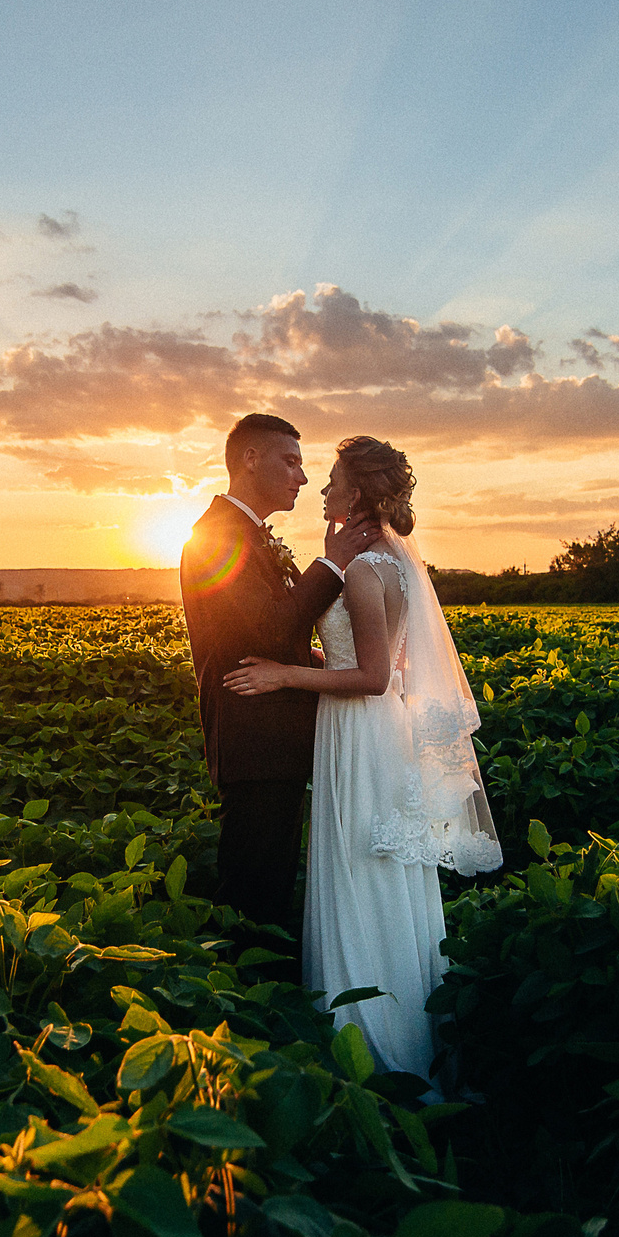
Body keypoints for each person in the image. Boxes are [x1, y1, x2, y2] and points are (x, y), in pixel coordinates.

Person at [221, 436, 501, 1083]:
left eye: (330, 479)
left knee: (360, 870)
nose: (320, 489)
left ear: (357, 492)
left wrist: (286, 676)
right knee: (364, 870)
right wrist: (308, 659)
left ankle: (374, 1044)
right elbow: (362, 662)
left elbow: (375, 676)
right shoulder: (377, 561)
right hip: (358, 728)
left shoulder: (371, 567)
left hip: (363, 729)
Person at [179, 413, 381, 980]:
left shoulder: (245, 533)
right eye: (290, 460)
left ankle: (251, 1003)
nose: (301, 475)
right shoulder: (217, 535)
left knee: (267, 882)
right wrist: (333, 563)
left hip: (275, 741)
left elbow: (265, 637)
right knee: (251, 895)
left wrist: (313, 661)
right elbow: (268, 628)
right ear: (249, 459)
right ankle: (237, 1015)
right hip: (255, 743)